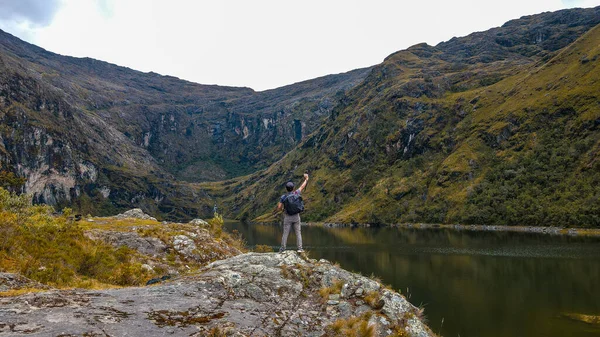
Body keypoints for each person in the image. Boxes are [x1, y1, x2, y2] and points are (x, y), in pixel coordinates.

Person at [276, 173, 308, 253]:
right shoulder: (296, 193)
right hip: (296, 216)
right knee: (298, 232)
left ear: (286, 189)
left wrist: (282, 209)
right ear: (293, 188)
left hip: (287, 217)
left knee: (285, 233)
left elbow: (279, 207)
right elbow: (302, 186)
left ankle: (282, 249)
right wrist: (306, 179)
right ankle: (300, 248)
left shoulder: (283, 197)